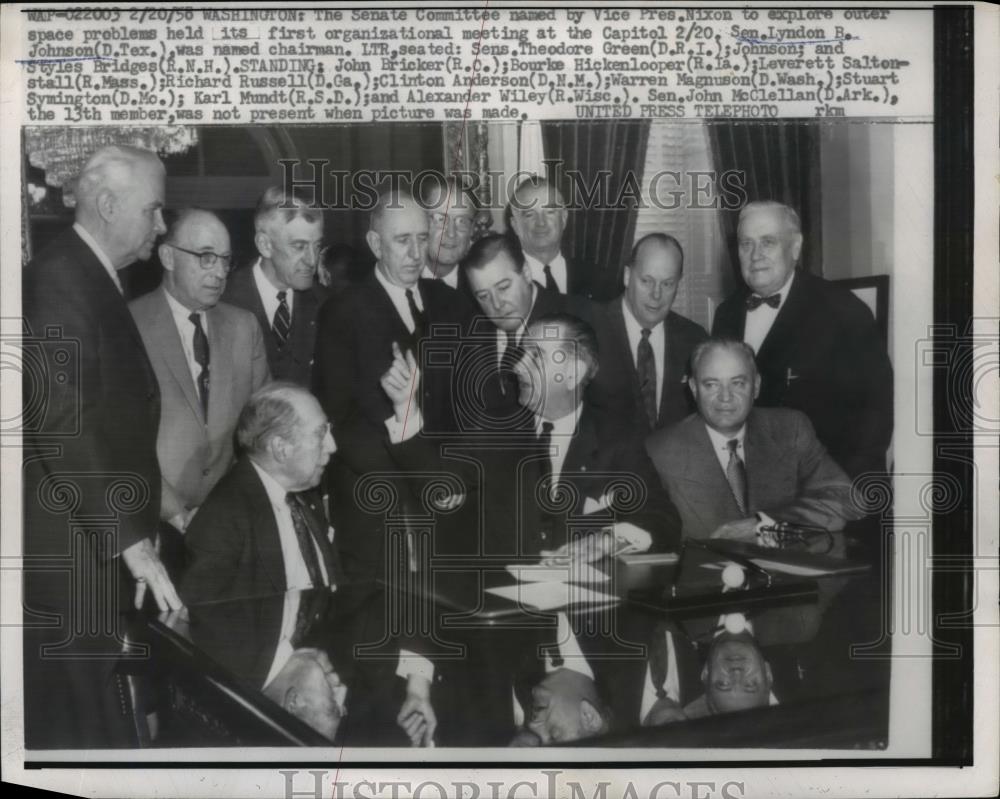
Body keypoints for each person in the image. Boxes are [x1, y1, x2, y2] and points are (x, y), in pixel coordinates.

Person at [22, 144, 182, 748]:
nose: (161, 226)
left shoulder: (90, 277)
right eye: (154, 211)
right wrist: (131, 542)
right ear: (109, 204)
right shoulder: (61, 279)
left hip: (94, 548)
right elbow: (62, 424)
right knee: (78, 733)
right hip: (72, 557)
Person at [312, 188, 470, 579]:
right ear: (375, 244)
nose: (417, 253)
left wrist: (448, 478)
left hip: (449, 501)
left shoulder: (451, 304)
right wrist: (419, 479)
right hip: (379, 506)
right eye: (403, 241)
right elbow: (339, 419)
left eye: (422, 237)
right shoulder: (343, 311)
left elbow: (465, 409)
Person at [711, 201, 893, 480]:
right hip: (749, 489)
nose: (755, 255)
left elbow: (874, 418)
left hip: (823, 492)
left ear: (795, 247)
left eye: (768, 242)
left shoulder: (843, 311)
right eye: (746, 244)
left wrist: (840, 497)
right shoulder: (726, 314)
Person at [129, 209, 269, 545]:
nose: (219, 272)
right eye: (206, 257)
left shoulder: (244, 326)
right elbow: (119, 441)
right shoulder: (127, 324)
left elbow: (263, 425)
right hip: (151, 521)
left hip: (230, 524)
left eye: (225, 259)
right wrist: (176, 512)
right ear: (168, 257)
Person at [646, 338, 863, 545]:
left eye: (738, 383)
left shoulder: (790, 429)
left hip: (788, 578)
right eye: (711, 384)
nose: (725, 397)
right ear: (694, 389)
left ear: (756, 386)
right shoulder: (660, 451)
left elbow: (848, 499)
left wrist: (764, 523)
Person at [180, 382, 340, 604]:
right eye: (320, 434)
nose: (332, 446)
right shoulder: (223, 519)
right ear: (280, 448)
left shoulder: (306, 496)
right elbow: (206, 621)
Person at [460, 233, 588, 430]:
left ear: (527, 273)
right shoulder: (469, 331)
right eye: (483, 296)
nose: (497, 304)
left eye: (503, 287)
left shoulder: (578, 316)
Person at [588, 233, 708, 433]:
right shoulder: (590, 330)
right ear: (627, 276)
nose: (656, 295)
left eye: (667, 284)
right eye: (646, 281)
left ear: (679, 284)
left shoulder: (695, 339)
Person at [222, 186, 328, 386]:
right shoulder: (223, 301)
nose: (312, 260)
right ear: (265, 245)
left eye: (317, 246)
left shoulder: (325, 305)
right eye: (299, 246)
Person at [508, 176, 594, 298]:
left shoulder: (594, 278)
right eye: (529, 215)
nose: (541, 222)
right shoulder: (505, 285)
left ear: (564, 218)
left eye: (549, 212)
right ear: (515, 225)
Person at [421, 177, 477, 295]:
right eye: (440, 219)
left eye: (462, 221)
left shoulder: (480, 288)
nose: (451, 233)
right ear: (421, 221)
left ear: (472, 230)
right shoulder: (397, 282)